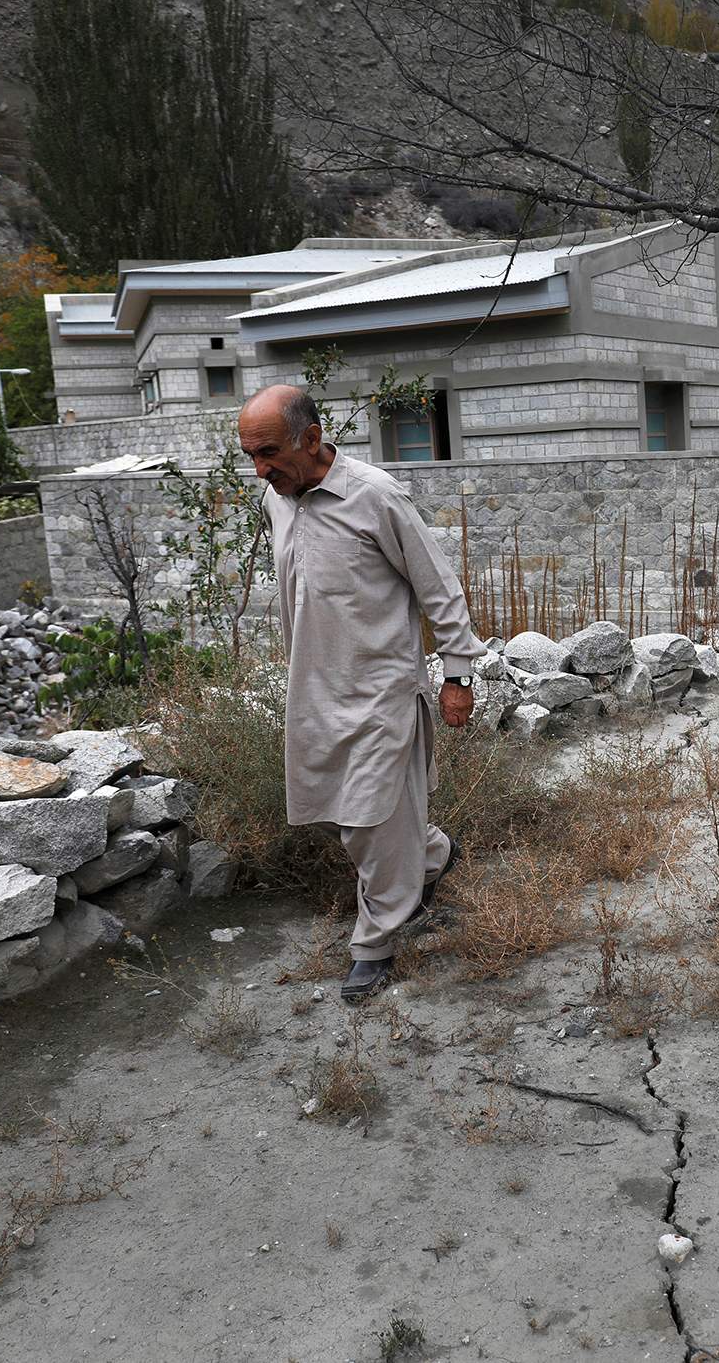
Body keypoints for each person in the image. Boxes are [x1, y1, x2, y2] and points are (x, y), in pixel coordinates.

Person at [240, 384, 484, 1002]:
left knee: (370, 822)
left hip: (382, 691)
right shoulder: (278, 499)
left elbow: (438, 586)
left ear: (312, 439)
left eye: (269, 453)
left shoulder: (374, 496)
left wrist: (458, 674)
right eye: (251, 456)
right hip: (313, 692)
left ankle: (375, 943)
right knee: (340, 814)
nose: (260, 469)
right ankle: (431, 852)